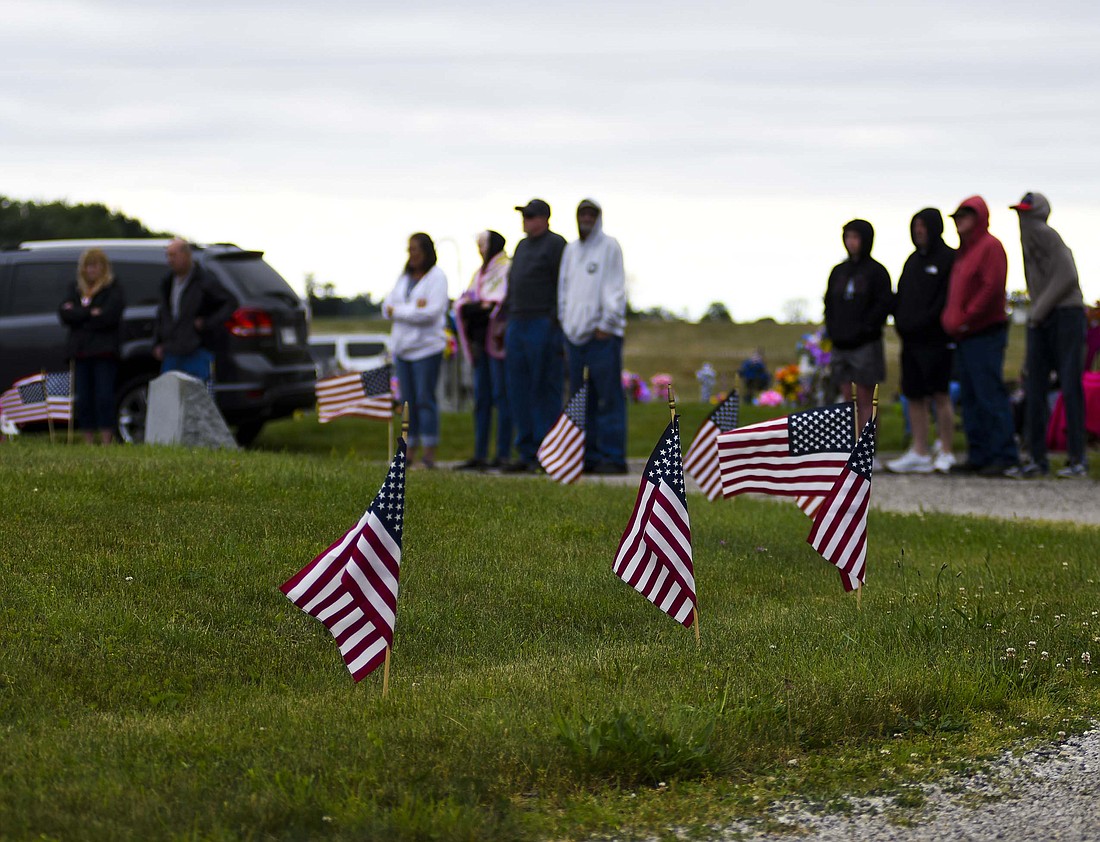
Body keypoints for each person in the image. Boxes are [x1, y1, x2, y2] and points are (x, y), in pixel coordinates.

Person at [1007, 192, 1088, 478]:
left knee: (1069, 385)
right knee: (1034, 386)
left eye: (1027, 211)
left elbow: (1068, 275)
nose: (1022, 217)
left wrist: (1038, 310)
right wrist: (1037, 313)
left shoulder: (1047, 234)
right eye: (1019, 211)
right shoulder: (1027, 239)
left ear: (1038, 211)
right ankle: (1036, 459)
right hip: (1041, 317)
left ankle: (1078, 460)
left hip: (1066, 314)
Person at [940, 196, 1018, 476]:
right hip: (965, 335)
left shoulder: (990, 247)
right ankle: (980, 454)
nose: (959, 221)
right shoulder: (964, 252)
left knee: (988, 393)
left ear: (979, 217)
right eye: (957, 217)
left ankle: (1004, 455)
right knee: (971, 397)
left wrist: (965, 317)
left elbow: (992, 287)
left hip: (984, 332)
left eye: (965, 216)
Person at [558, 198, 627, 474]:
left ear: (598, 217)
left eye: (590, 214)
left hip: (602, 336)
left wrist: (607, 323)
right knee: (580, 398)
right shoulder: (571, 251)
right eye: (581, 214)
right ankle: (588, 455)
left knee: (607, 397)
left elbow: (615, 286)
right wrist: (565, 322)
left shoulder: (609, 246)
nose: (585, 218)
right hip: (574, 336)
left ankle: (613, 456)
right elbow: (563, 290)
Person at [886, 209, 957, 474]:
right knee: (913, 395)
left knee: (940, 394)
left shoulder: (949, 258)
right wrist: (901, 322)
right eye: (915, 226)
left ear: (934, 228)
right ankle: (919, 450)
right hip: (911, 341)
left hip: (937, 340)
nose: (918, 231)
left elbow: (945, 299)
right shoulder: (913, 261)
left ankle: (947, 451)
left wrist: (925, 322)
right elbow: (901, 295)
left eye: (923, 226)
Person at [501, 198, 567, 472]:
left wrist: (554, 320)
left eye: (530, 216)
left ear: (544, 218)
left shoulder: (556, 244)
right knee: (519, 389)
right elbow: (512, 283)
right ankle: (526, 450)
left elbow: (563, 283)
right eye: (524, 216)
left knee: (544, 387)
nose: (525, 220)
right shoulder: (522, 245)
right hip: (518, 320)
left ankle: (546, 452)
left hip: (542, 321)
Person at [384, 233, 449, 469]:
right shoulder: (403, 278)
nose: (412, 255)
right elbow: (386, 307)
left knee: (424, 399)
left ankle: (429, 451)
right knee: (407, 403)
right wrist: (412, 308)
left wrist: (400, 310)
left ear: (427, 251)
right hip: (403, 349)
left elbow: (431, 313)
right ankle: (408, 450)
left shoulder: (437, 277)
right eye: (409, 250)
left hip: (426, 349)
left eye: (416, 250)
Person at [823, 219, 893, 433]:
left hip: (865, 345)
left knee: (865, 399)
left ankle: (866, 449)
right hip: (840, 345)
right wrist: (834, 331)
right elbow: (829, 304)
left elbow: (882, 306)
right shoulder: (838, 272)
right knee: (846, 400)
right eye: (848, 237)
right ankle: (848, 449)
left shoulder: (877, 272)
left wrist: (864, 330)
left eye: (855, 237)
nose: (851, 242)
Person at [454, 230, 512, 471]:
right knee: (481, 399)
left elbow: (499, 299)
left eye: (482, 244)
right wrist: (475, 307)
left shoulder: (505, 267)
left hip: (498, 342)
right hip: (479, 341)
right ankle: (480, 453)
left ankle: (503, 453)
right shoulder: (480, 273)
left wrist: (480, 307)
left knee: (501, 396)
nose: (479, 249)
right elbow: (468, 300)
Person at [58, 248, 126, 444]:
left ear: (103, 267)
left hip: (104, 352)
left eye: (94, 266)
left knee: (104, 396)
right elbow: (63, 313)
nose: (90, 270)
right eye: (87, 266)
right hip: (80, 352)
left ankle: (106, 439)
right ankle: (88, 439)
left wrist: (79, 314)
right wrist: (90, 312)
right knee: (83, 397)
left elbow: (109, 317)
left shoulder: (113, 289)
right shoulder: (75, 288)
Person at [153, 239, 235, 381]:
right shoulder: (167, 283)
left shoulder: (205, 281)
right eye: (168, 255)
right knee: (171, 395)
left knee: (199, 396)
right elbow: (163, 314)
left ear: (186, 255)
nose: (169, 260)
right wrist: (157, 342)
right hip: (172, 349)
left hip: (197, 349)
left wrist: (206, 323)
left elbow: (229, 303)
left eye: (173, 255)